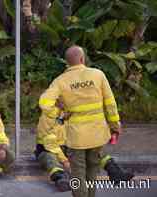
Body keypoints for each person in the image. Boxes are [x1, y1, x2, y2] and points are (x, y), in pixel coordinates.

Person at [39, 45, 124, 197]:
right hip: (98, 134)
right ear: (82, 59)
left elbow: (44, 103)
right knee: (92, 172)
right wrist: (115, 126)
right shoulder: (98, 75)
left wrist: (60, 113)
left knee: (78, 175)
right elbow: (110, 103)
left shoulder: (61, 81)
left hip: (76, 138)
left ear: (67, 62)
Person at [34, 101, 134, 192]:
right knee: (49, 158)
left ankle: (115, 172)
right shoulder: (48, 115)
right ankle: (61, 179)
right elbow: (50, 142)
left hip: (69, 146)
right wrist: (65, 161)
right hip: (48, 148)